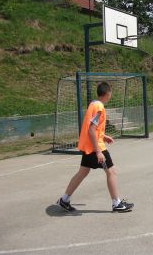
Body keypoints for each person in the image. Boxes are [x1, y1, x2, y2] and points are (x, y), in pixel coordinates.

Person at [57, 82, 134, 212]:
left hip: (89, 146)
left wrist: (103, 136)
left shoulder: (93, 104)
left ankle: (64, 200)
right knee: (111, 172)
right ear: (108, 94)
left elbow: (93, 128)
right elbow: (91, 130)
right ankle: (117, 203)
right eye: (111, 93)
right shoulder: (99, 108)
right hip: (95, 148)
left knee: (83, 172)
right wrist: (98, 151)